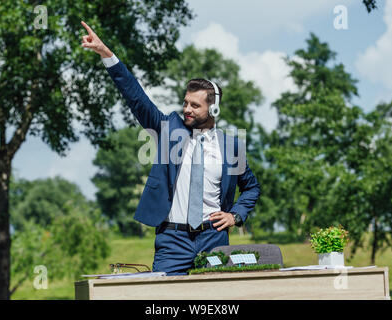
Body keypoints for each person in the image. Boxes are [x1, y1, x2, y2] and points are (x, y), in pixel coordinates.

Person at [80, 21, 260, 275]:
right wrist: (107, 55)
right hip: (172, 241)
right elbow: (137, 99)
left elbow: (251, 187)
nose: (186, 109)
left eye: (195, 106)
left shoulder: (230, 146)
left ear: (214, 109)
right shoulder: (168, 129)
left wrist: (235, 216)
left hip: (213, 240)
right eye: (185, 102)